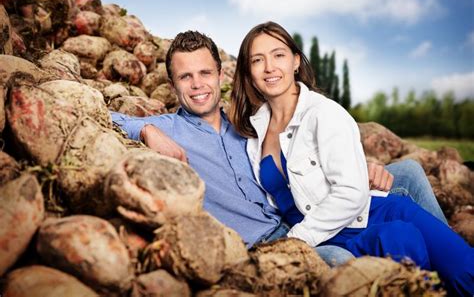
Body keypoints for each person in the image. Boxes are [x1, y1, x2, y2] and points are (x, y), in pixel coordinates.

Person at [111, 30, 446, 266]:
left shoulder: (247, 122)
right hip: (266, 246)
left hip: (301, 214)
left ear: (219, 75)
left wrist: (361, 167)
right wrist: (149, 129)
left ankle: (452, 261)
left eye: (205, 73)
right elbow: (98, 113)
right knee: (341, 260)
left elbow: (304, 151)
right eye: (185, 77)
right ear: (172, 84)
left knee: (410, 175)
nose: (197, 84)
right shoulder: (170, 129)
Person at [229, 21, 473, 296]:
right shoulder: (254, 132)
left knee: (466, 275)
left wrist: (294, 241)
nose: (269, 67)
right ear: (249, 72)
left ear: (296, 61)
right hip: (329, 238)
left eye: (279, 55)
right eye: (257, 60)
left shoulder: (324, 113)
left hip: (368, 215)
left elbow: (351, 192)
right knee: (402, 260)